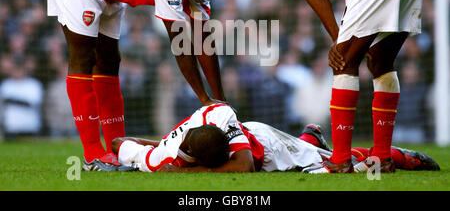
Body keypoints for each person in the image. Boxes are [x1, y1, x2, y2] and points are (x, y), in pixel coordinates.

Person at [247, 0, 427, 173]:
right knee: (380, 62)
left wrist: (337, 39)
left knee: (343, 61)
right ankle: (382, 158)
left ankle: (340, 159)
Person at [46, 0, 232, 171]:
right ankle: (93, 154)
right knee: (84, 54)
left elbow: (203, 40)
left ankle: (118, 149)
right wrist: (202, 97)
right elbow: (179, 42)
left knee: (110, 60)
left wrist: (219, 102)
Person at [111, 103, 440, 173]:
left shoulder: (217, 114)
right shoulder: (157, 159)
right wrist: (153, 145)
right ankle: (309, 139)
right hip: (258, 142)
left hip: (265, 147)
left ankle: (389, 156)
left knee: (334, 167)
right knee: (311, 158)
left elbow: (244, 166)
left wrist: (151, 150)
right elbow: (121, 143)